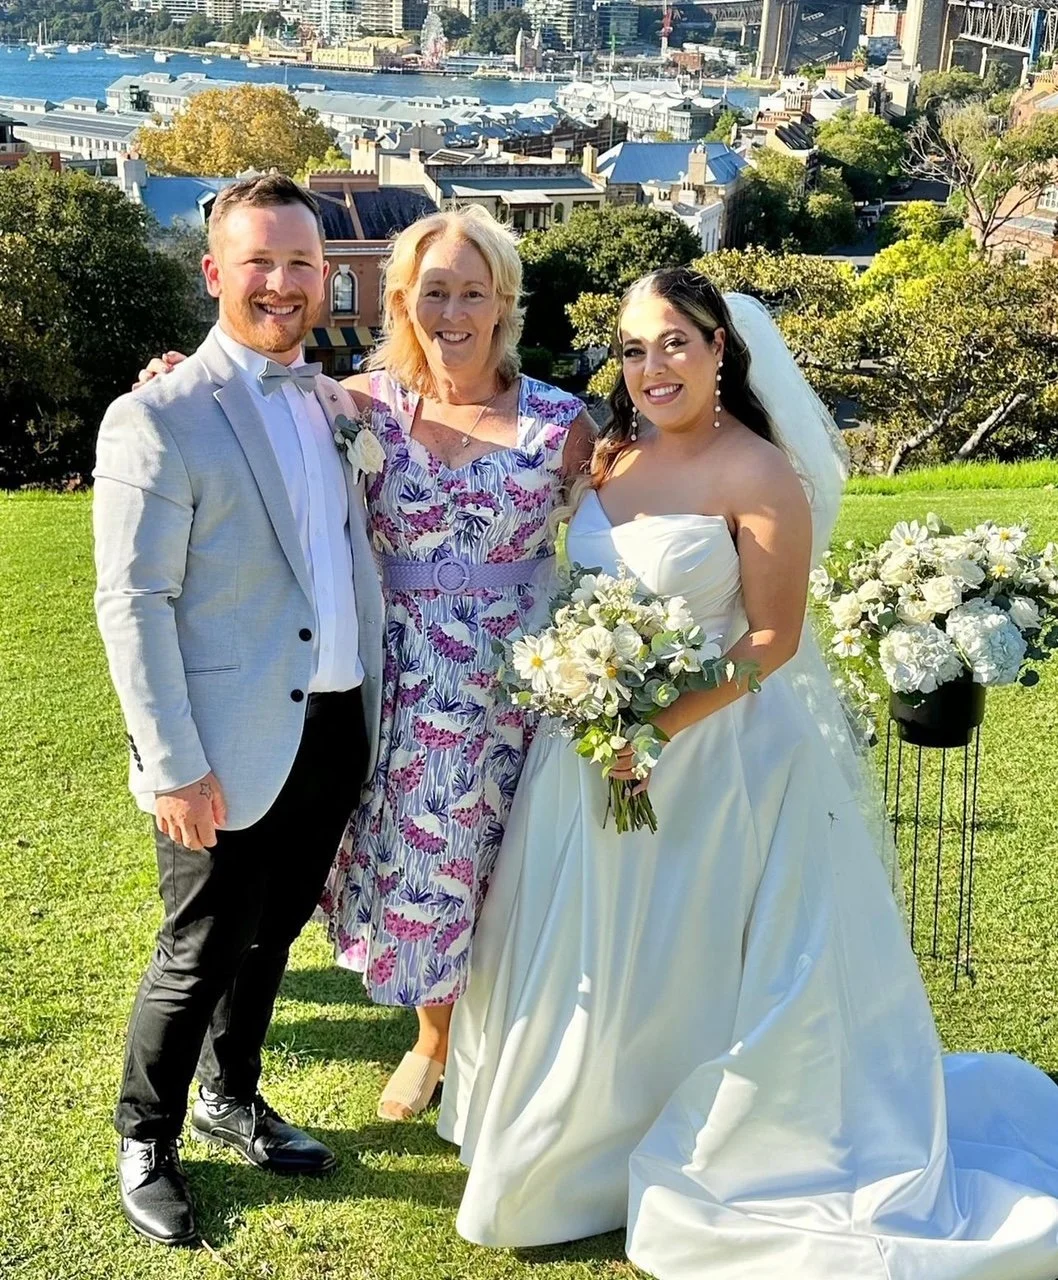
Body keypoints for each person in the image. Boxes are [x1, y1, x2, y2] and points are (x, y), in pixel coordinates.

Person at [437, 267, 1058, 1278]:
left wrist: (656, 726)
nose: (652, 367)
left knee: (683, 947)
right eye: (632, 349)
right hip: (586, 748)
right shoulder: (608, 455)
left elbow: (771, 638)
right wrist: (588, 697)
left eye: (674, 343)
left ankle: (679, 1131)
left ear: (719, 348)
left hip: (713, 757)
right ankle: (573, 1135)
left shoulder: (761, 473)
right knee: (584, 948)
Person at [135, 203, 595, 1122]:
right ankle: (433, 1039)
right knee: (428, 858)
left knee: (519, 861)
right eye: (434, 292)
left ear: (505, 302)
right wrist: (176, 379)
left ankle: (516, 1034)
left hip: (520, 685)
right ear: (402, 301)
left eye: (474, 292)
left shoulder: (564, 423)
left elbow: (627, 520)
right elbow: (242, 409)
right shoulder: (357, 403)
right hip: (399, 680)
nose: (454, 312)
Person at [93, 174, 383, 1248]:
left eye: (300, 262)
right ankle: (146, 1136)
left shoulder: (336, 402)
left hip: (335, 725)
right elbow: (133, 601)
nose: (281, 282)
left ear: (326, 275)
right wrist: (170, 761)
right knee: (201, 948)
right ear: (214, 271)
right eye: (259, 261)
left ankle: (232, 1094)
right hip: (220, 743)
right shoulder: (158, 413)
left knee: (273, 936)